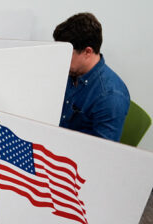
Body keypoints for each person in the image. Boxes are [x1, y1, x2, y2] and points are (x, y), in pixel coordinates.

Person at [53, 13, 130, 141]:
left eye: (66, 54)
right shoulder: (72, 72)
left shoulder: (110, 96)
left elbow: (103, 152)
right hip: (58, 140)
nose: (61, 60)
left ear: (87, 52)